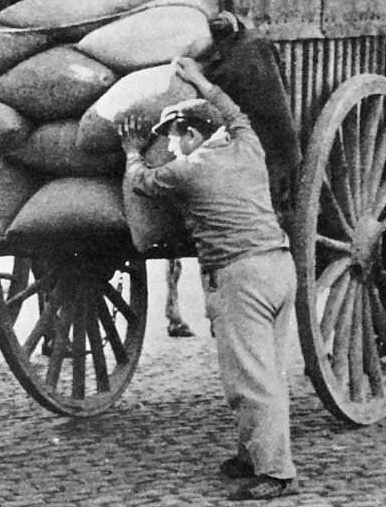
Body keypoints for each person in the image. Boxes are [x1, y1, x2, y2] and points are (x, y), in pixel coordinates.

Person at [118, 57, 298, 501]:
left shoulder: (189, 170)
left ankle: (276, 474)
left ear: (193, 135)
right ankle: (252, 455)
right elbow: (235, 114)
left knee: (250, 381)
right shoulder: (246, 144)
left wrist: (132, 151)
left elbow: (141, 181)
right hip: (278, 267)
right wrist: (201, 81)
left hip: (241, 278)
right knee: (264, 370)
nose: (172, 145)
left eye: (174, 136)